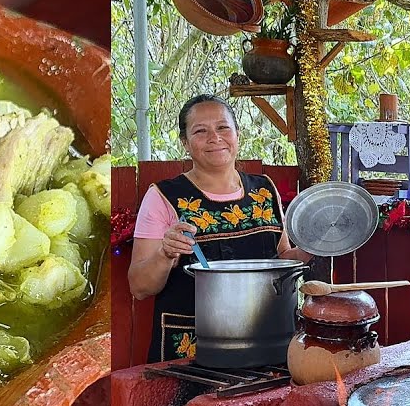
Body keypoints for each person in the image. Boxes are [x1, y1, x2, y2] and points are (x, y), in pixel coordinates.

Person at [128, 94, 313, 363]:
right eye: (200, 131)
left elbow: (281, 259)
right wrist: (165, 254)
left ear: (237, 134)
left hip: (269, 341)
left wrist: (314, 245)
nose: (215, 138)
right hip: (192, 352)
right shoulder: (164, 196)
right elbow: (139, 287)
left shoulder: (264, 189)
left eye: (223, 128)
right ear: (185, 143)